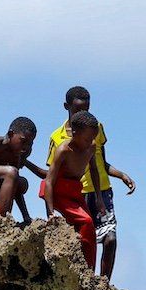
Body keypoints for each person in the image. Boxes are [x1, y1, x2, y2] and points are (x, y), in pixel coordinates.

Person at [46, 86, 136, 281]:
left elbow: (100, 163)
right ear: (66, 107)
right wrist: (51, 209)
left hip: (101, 191)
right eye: (78, 109)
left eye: (87, 109)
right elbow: (52, 174)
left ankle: (103, 285)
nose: (83, 113)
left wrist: (120, 175)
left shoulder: (96, 128)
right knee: (82, 240)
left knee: (110, 239)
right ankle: (84, 279)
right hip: (77, 193)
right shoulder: (57, 138)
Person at [43, 110, 106, 271]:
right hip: (58, 191)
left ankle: (88, 270)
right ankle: (84, 267)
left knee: (90, 228)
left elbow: (94, 170)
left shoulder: (91, 147)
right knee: (86, 221)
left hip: (75, 192)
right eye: (87, 138)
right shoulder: (64, 150)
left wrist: (99, 198)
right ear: (74, 132)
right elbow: (49, 180)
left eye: (92, 138)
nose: (90, 142)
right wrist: (50, 213)